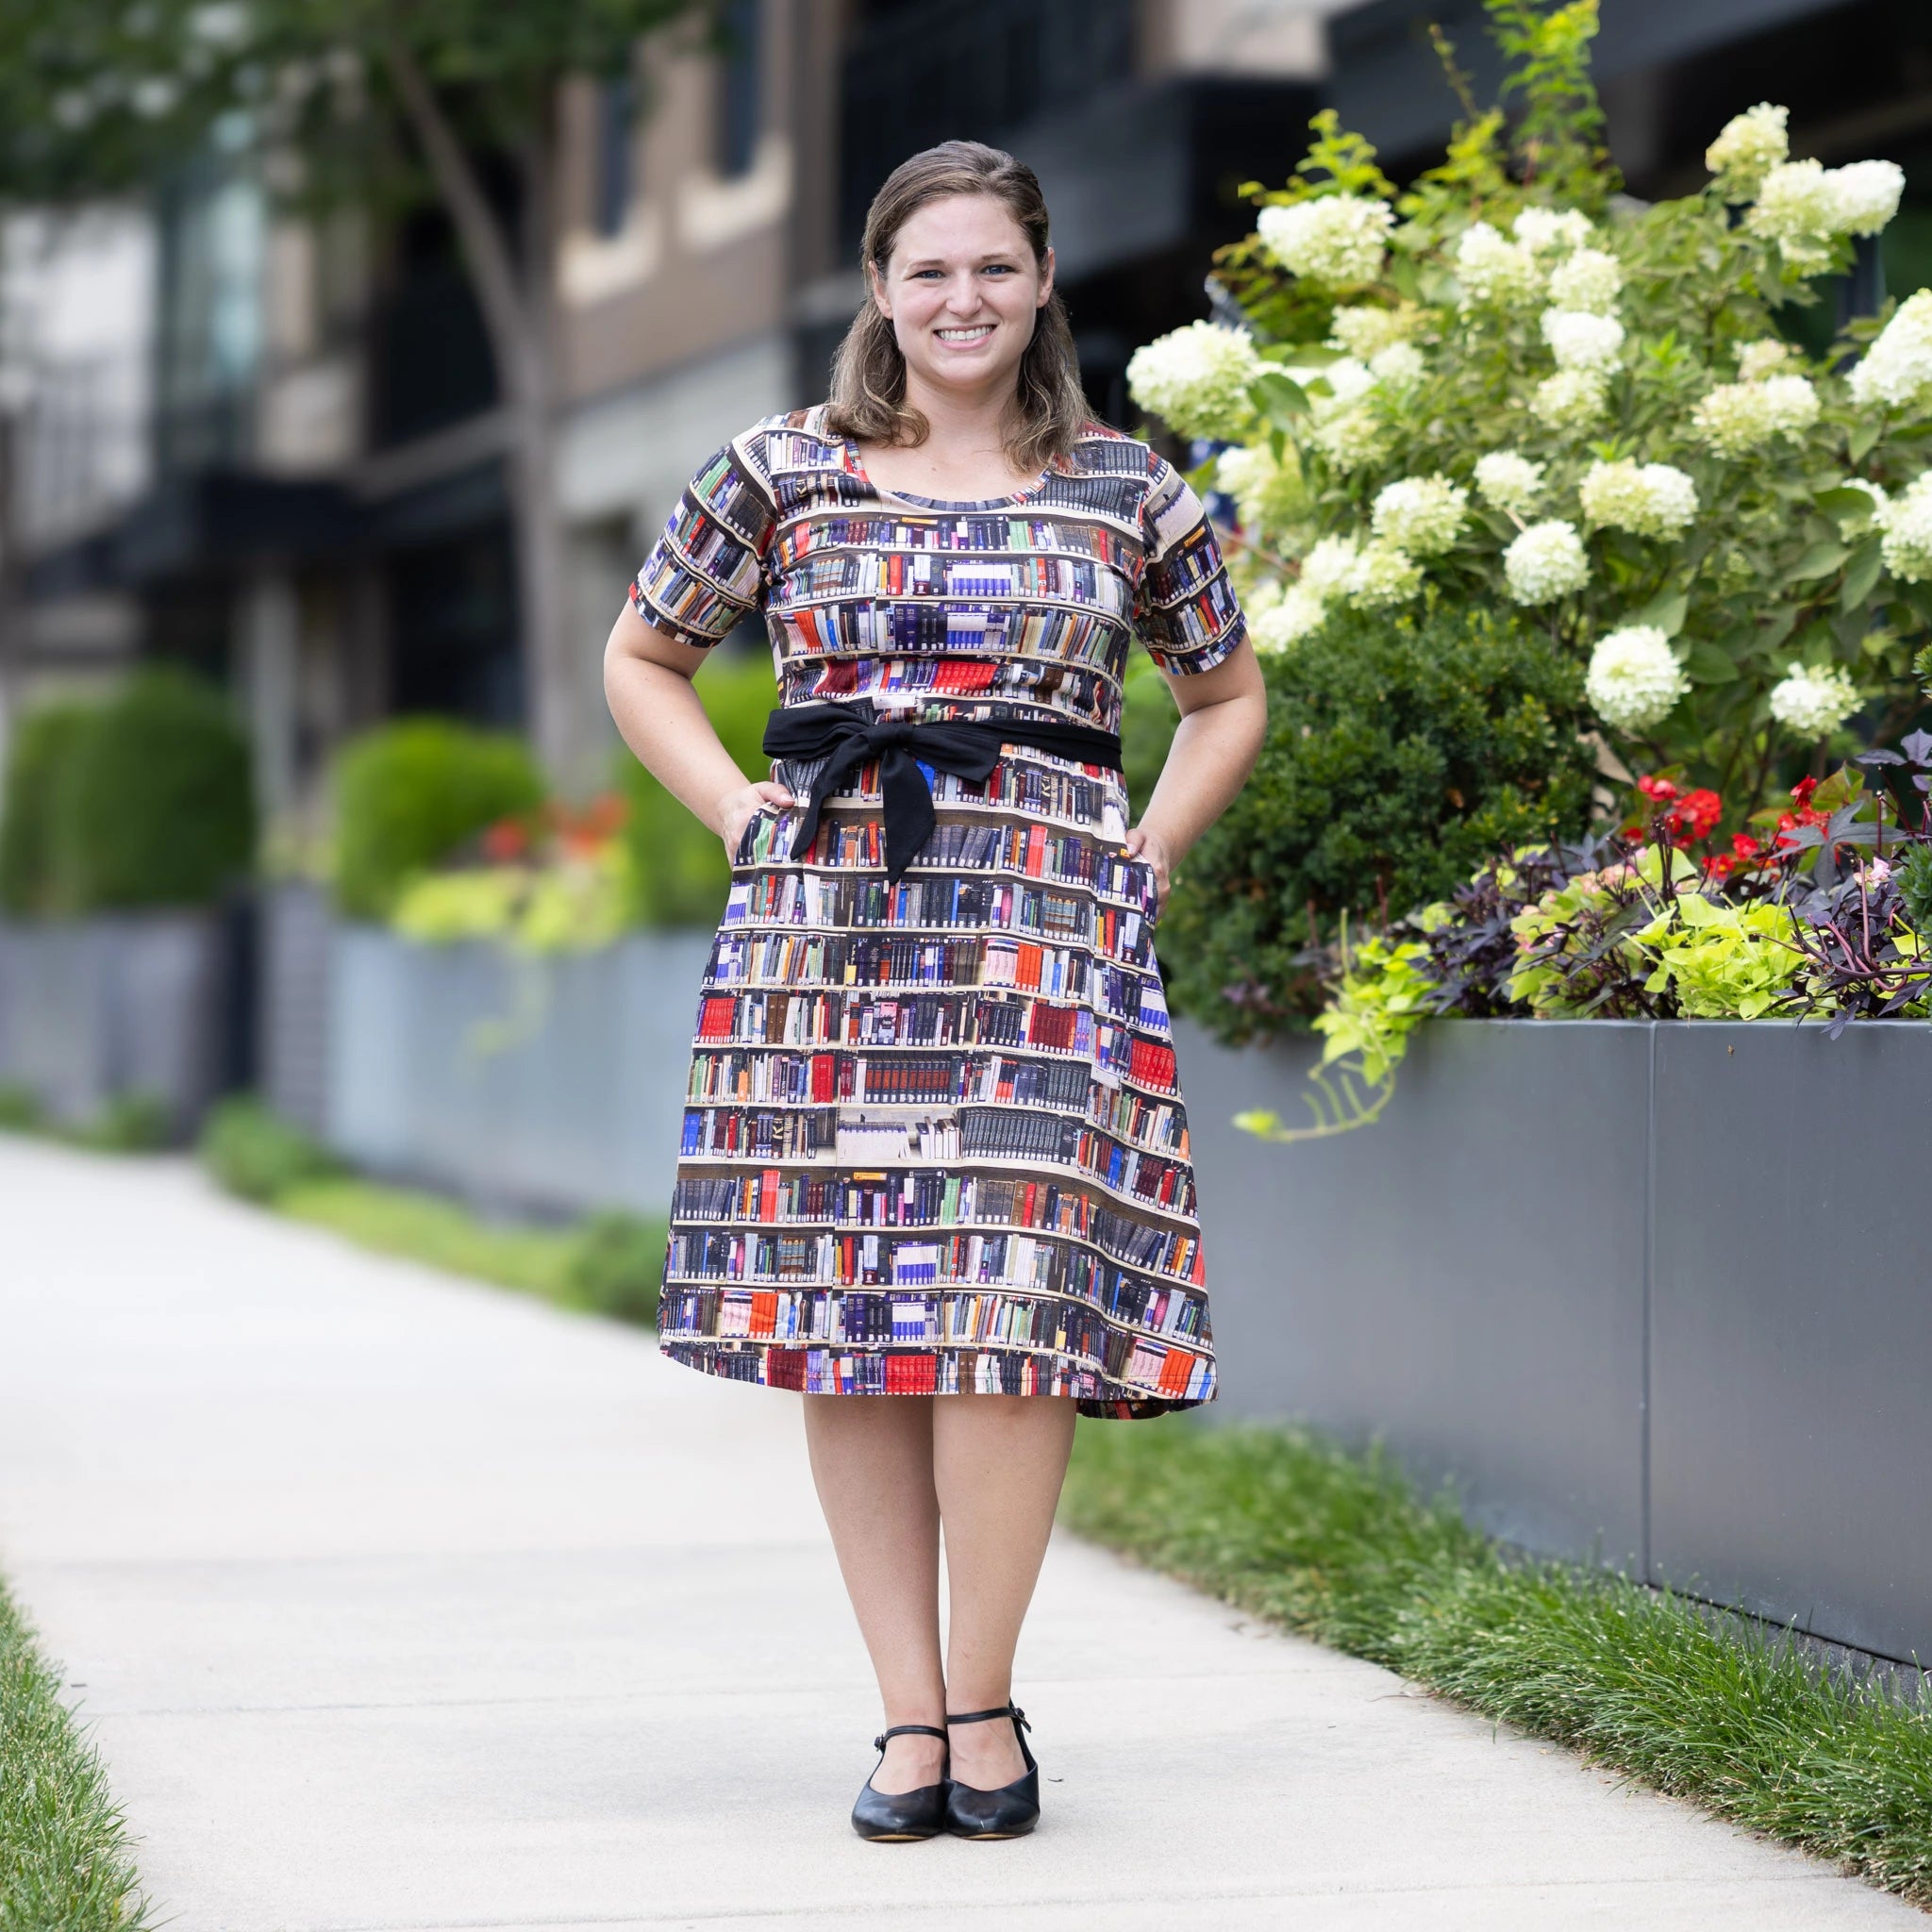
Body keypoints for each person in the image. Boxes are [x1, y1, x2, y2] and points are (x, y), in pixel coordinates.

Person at [604, 139, 1265, 1841]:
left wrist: (1153, 849)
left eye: (993, 267)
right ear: (878, 294)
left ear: (1042, 281)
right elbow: (645, 656)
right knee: (855, 1313)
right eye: (927, 271)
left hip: (1044, 932)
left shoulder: (1131, 489)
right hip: (826, 932)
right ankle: (907, 1719)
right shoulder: (776, 471)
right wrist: (737, 811)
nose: (960, 300)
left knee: (1008, 1313)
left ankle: (987, 1700)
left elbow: (1224, 697)